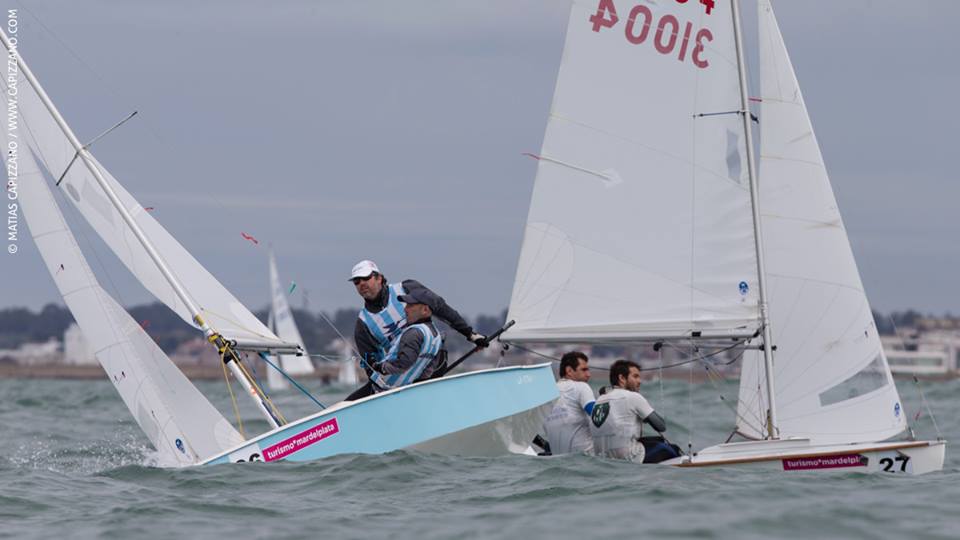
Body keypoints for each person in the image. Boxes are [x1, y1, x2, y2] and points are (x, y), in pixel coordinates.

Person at [346, 260, 486, 400]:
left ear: (379, 278)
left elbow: (440, 308)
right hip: (403, 373)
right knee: (350, 401)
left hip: (432, 363)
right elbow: (372, 367)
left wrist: (470, 334)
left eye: (366, 278)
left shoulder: (407, 288)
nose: (361, 283)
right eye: (357, 281)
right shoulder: (363, 324)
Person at [589, 359, 670, 463]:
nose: (639, 381)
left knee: (653, 441)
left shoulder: (598, 400)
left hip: (603, 460)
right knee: (668, 448)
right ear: (622, 378)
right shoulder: (633, 396)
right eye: (635, 376)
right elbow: (661, 426)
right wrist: (646, 417)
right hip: (630, 458)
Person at [541, 351, 596, 455]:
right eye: (584, 370)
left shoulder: (546, 394)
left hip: (557, 461)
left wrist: (546, 446)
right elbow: (598, 417)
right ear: (569, 371)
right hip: (587, 459)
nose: (588, 374)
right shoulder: (581, 386)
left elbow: (527, 432)